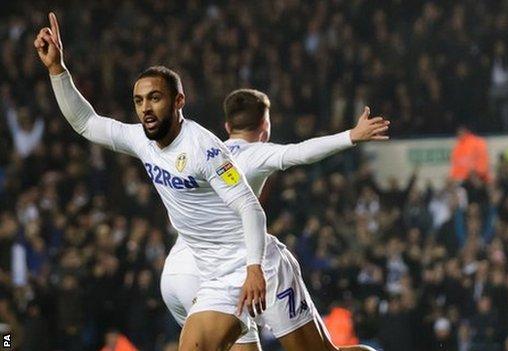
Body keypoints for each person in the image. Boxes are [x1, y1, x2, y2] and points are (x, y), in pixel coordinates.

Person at [36, 13, 271, 351]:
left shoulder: (206, 151)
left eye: (155, 98)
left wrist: (253, 269)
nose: (145, 108)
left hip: (233, 266)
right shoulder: (141, 140)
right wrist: (57, 70)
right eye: (139, 100)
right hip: (201, 264)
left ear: (179, 102)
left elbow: (250, 207)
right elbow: (87, 123)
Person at [161, 88, 388, 350]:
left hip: (177, 275)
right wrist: (351, 136)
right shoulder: (256, 153)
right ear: (265, 126)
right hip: (234, 267)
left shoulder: (203, 153)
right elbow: (300, 152)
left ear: (227, 125)